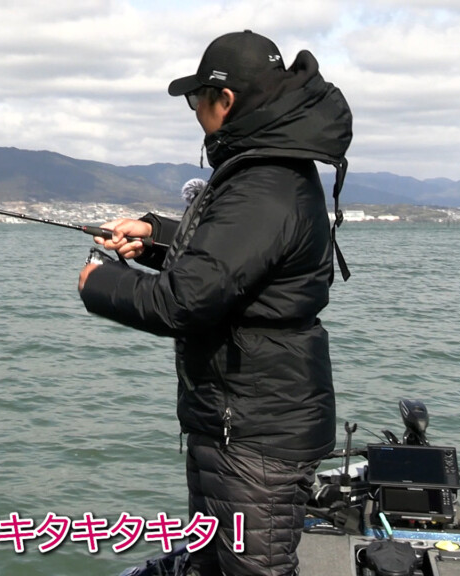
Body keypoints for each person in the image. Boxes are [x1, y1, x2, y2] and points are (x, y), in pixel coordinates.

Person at [77, 30, 352, 576]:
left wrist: (98, 283)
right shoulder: (268, 169)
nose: (195, 113)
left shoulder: (264, 183)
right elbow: (229, 262)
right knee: (209, 565)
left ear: (224, 100)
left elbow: (184, 301)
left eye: (195, 100)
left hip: (256, 436)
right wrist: (153, 237)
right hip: (235, 421)